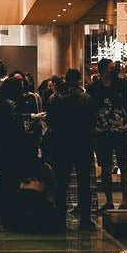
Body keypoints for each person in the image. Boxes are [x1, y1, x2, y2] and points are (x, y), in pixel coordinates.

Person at [45, 68, 95, 229]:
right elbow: (91, 122)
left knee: (61, 182)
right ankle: (85, 219)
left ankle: (60, 217)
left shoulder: (54, 98)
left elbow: (50, 121)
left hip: (60, 144)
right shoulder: (85, 98)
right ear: (79, 80)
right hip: (82, 144)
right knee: (84, 183)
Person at [0, 75, 33, 224]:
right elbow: (17, 131)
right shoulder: (13, 106)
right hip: (11, 150)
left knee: (1, 180)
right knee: (10, 181)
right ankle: (6, 213)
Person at [89, 59, 127, 210]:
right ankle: (109, 201)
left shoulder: (122, 85)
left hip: (120, 130)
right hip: (102, 132)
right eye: (111, 68)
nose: (115, 70)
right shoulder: (94, 88)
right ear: (104, 70)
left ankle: (125, 199)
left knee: (124, 166)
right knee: (105, 167)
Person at [12, 162, 65, 236]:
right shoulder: (46, 169)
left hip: (19, 214)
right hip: (37, 208)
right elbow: (51, 199)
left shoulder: (26, 170)